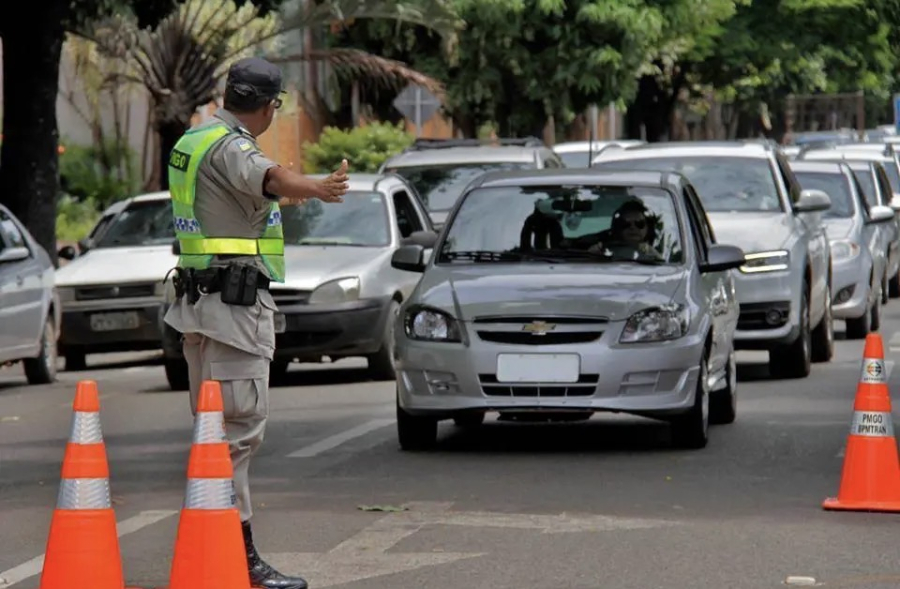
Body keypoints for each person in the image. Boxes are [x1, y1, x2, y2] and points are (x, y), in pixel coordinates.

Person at [163, 56, 349, 589]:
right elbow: (265, 176)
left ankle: (209, 554)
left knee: (211, 436)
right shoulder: (232, 144)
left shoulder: (191, 140)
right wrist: (316, 186)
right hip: (231, 313)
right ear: (271, 105)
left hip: (199, 307)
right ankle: (237, 562)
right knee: (234, 437)